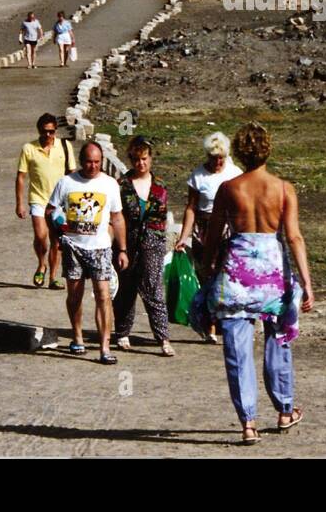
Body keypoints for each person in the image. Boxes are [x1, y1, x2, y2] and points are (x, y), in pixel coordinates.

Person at [194, 123, 313, 445]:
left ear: (240, 153)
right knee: (278, 341)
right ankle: (285, 409)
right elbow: (294, 237)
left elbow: (214, 235)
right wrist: (306, 281)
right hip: (273, 275)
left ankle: (248, 423)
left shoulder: (229, 189)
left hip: (236, 274)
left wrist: (205, 270)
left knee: (237, 350)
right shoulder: (284, 188)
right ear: (268, 149)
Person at [45, 140, 128, 364]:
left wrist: (122, 249)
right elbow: (50, 210)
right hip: (73, 246)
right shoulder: (66, 183)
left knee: (103, 295)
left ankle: (104, 347)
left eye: (97, 162)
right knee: (75, 295)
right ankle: (78, 335)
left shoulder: (110, 184)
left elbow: (117, 218)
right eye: (89, 162)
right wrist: (57, 235)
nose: (93, 166)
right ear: (81, 162)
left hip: (100, 247)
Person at [176, 131, 243, 344]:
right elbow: (191, 208)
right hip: (203, 228)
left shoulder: (234, 174)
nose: (218, 162)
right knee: (206, 275)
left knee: (227, 276)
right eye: (214, 158)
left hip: (227, 228)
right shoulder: (198, 176)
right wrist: (183, 237)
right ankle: (210, 324)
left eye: (221, 158)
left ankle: (226, 323)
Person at [113, 136, 174, 356]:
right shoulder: (122, 185)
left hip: (153, 244)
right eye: (137, 159)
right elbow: (116, 215)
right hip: (127, 242)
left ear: (151, 159)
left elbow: (162, 218)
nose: (141, 164)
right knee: (126, 289)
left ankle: (163, 337)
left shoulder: (159, 186)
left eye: (145, 159)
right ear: (131, 160)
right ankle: (122, 332)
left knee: (154, 288)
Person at [16, 113, 76, 289]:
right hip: (38, 199)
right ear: (39, 130)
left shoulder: (65, 146)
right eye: (44, 132)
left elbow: (72, 174)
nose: (48, 136)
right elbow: (21, 177)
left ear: (56, 131)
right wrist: (19, 203)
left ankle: (52, 277)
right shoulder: (29, 148)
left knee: (56, 240)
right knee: (41, 236)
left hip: (59, 202)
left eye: (51, 132)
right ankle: (41, 263)